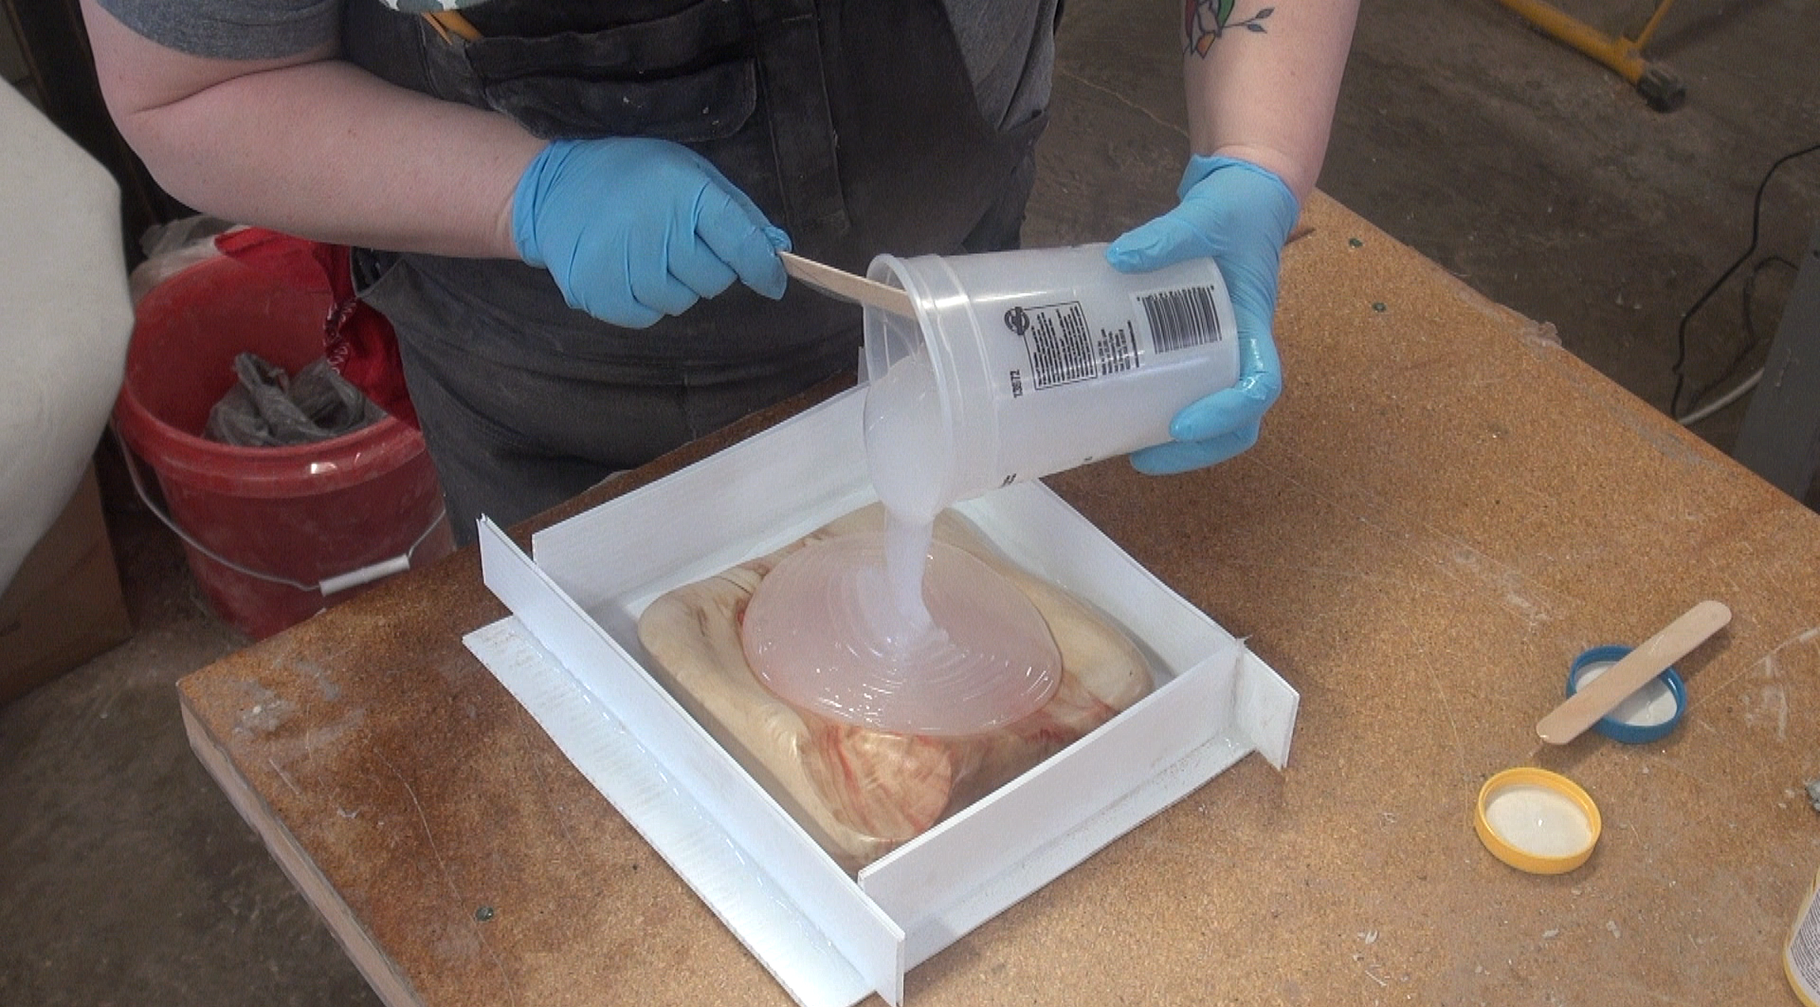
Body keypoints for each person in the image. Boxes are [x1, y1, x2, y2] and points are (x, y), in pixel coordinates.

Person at [81, 0, 1358, 545]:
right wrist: (522, 192)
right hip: (555, 385)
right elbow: (190, 85)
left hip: (961, 301)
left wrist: (1255, 155)